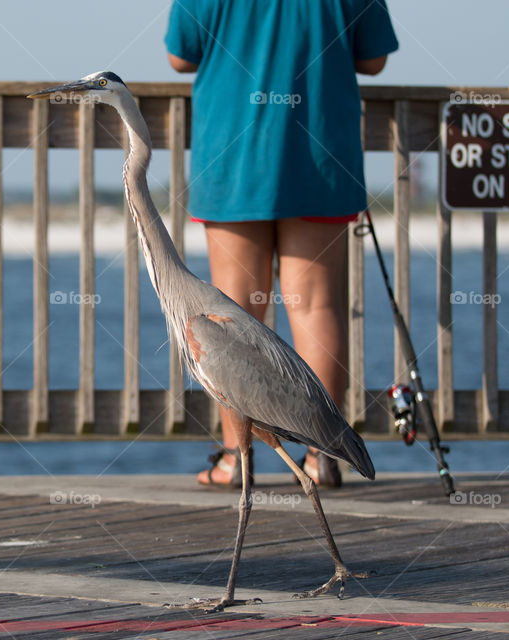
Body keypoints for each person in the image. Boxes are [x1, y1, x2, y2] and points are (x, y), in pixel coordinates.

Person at [165, 0, 398, 488]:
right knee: (315, 306)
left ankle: (236, 461)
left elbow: (180, 57)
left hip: (233, 161)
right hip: (319, 156)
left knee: (231, 317)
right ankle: (322, 457)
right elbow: (374, 60)